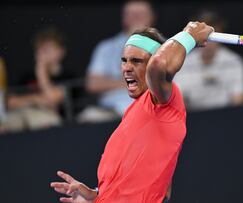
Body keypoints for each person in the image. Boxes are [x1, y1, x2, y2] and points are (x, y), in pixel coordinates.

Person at [50, 22, 214, 203]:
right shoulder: (134, 113)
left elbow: (159, 64)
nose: (126, 67)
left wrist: (189, 35)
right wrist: (95, 195)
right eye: (124, 60)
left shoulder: (163, 100)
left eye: (136, 61)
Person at [78, 0, 155, 122]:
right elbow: (92, 84)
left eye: (140, 14)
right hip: (111, 112)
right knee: (87, 117)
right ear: (124, 19)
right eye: (132, 14)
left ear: (151, 18)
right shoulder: (106, 47)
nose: (136, 18)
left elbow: (166, 81)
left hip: (152, 109)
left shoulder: (165, 46)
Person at [174, 10, 243, 111]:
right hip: (193, 119)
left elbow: (239, 101)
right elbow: (178, 103)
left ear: (221, 33)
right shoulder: (182, 63)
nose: (209, 40)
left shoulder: (234, 61)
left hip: (228, 118)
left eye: (213, 34)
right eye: (204, 34)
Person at [2, 27, 66, 132]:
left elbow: (53, 99)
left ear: (61, 51)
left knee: (47, 122)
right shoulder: (26, 76)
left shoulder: (66, 75)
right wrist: (36, 100)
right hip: (21, 114)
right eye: (40, 48)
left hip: (47, 119)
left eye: (48, 48)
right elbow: (9, 102)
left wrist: (41, 70)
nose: (43, 52)